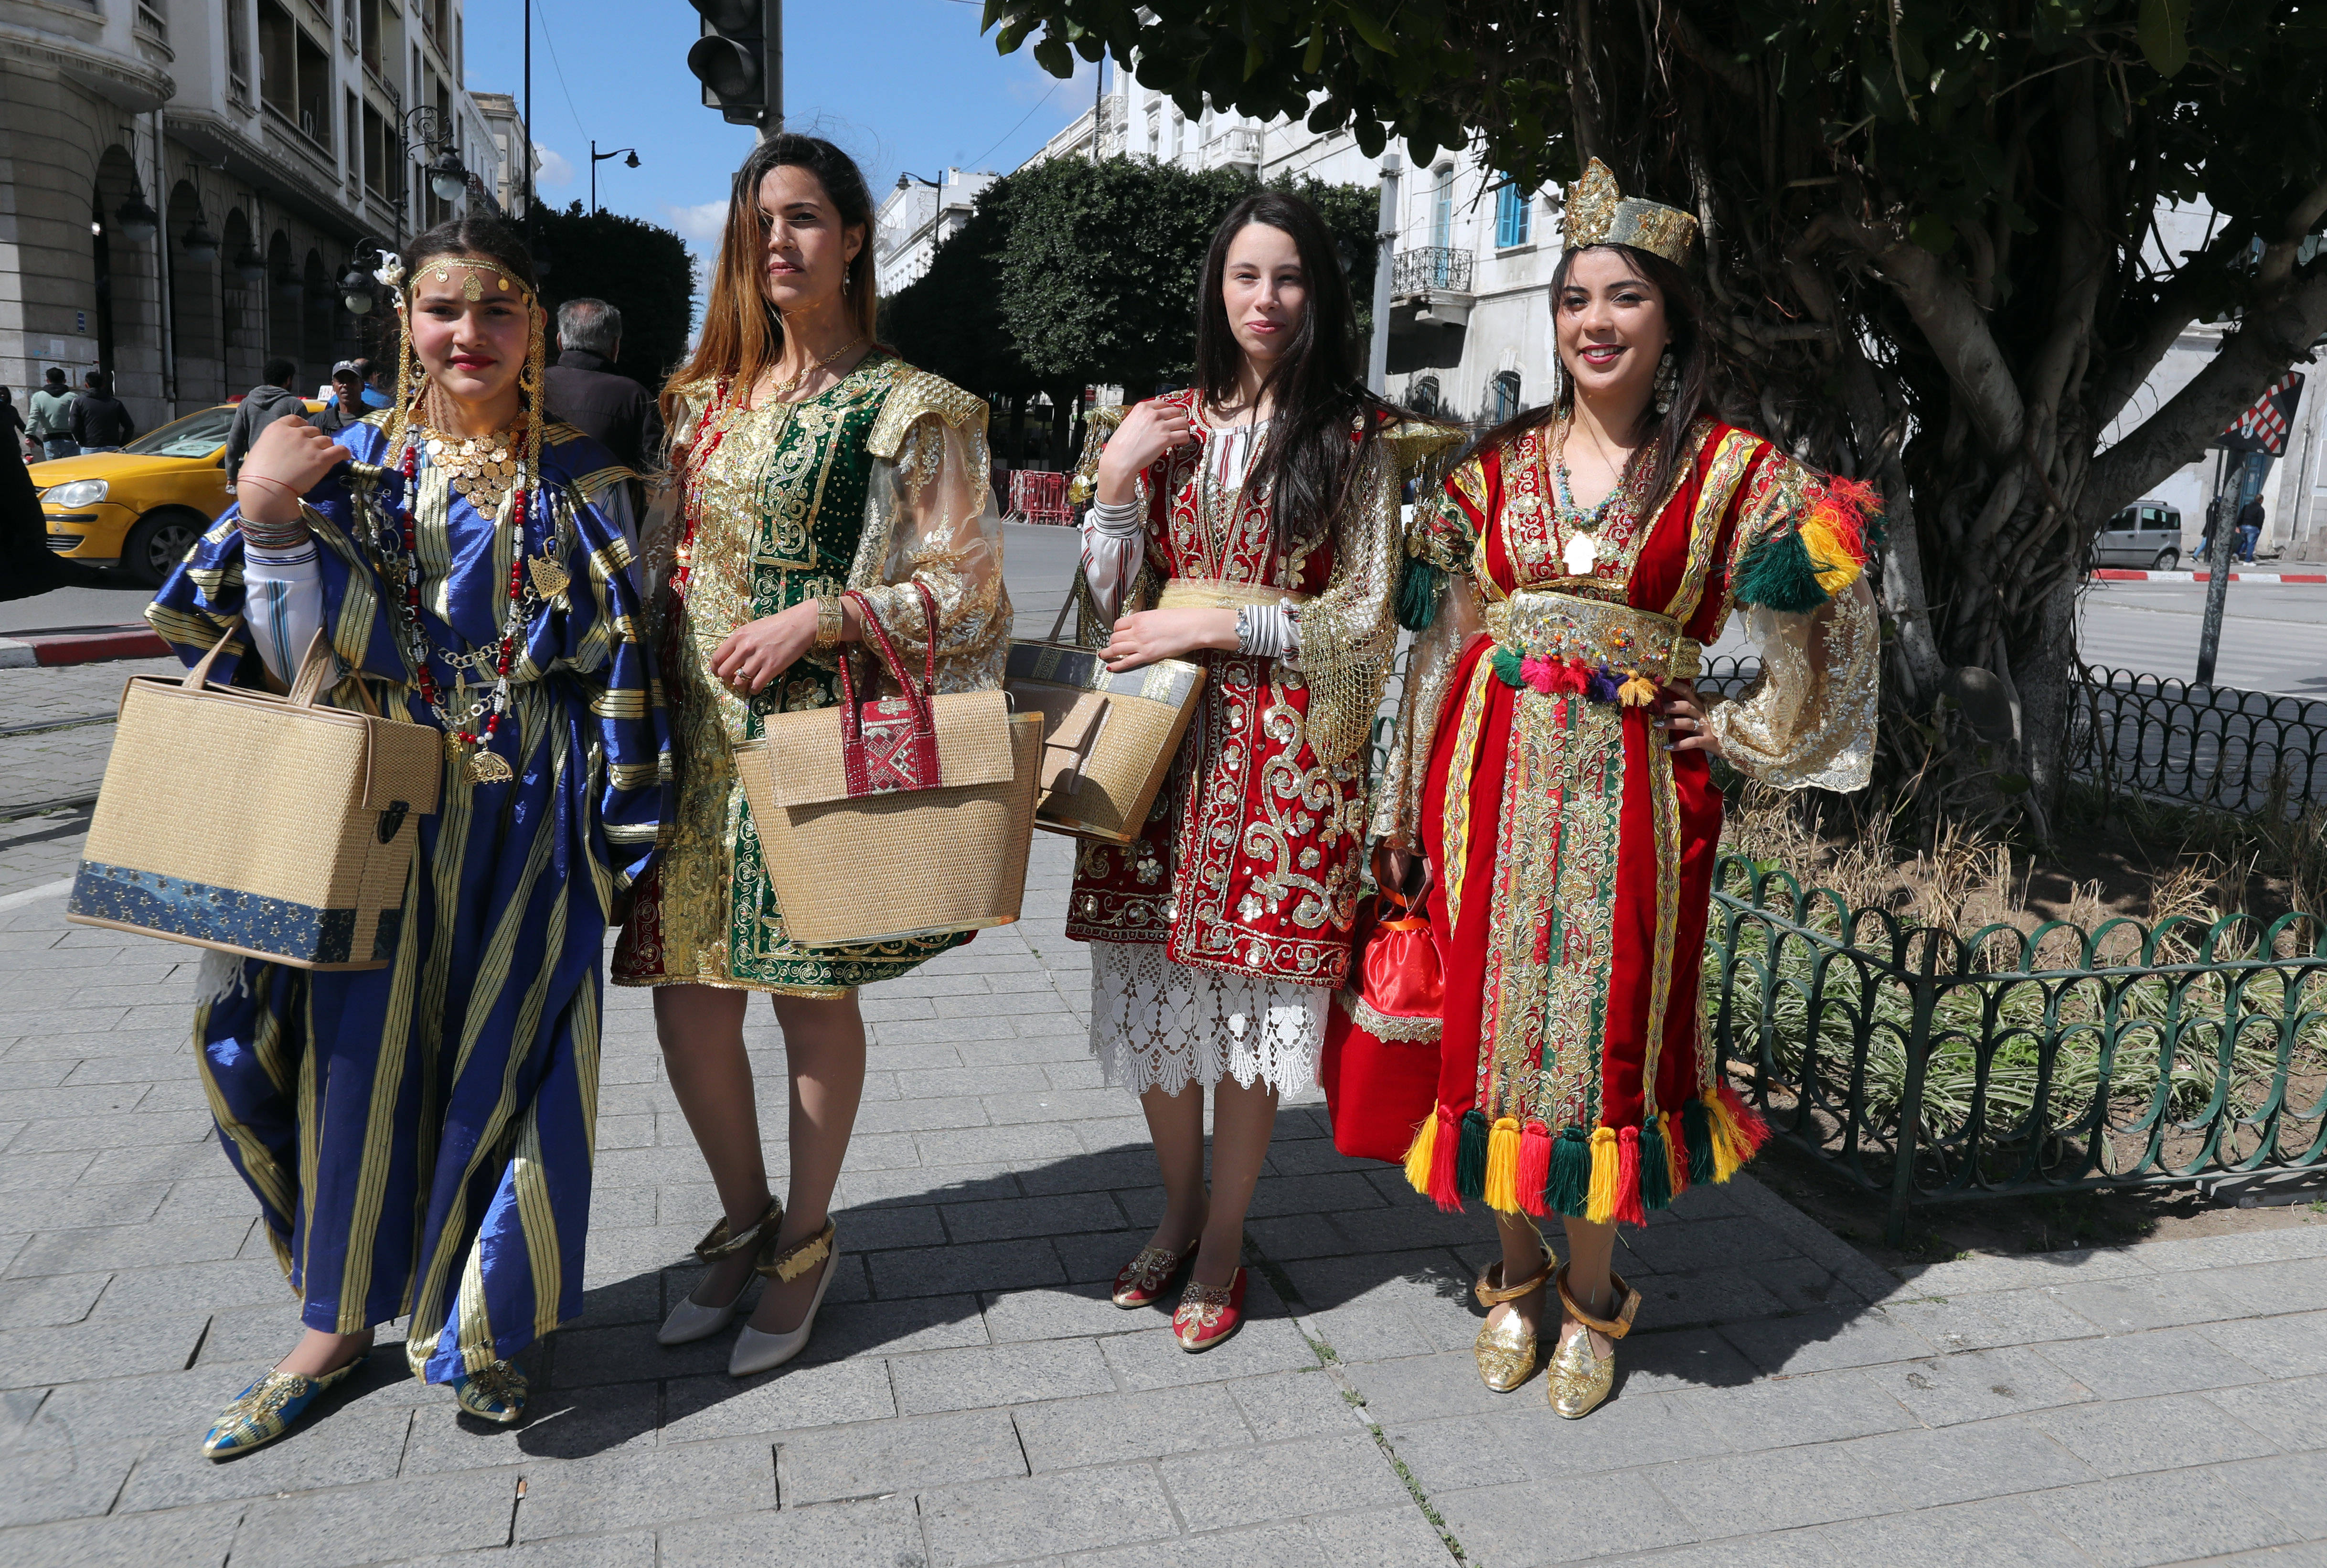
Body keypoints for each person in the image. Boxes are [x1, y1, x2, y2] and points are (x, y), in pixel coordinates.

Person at [141, 215, 670, 1456]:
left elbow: (625, 673)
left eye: (499, 309)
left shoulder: (589, 478)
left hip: (533, 814)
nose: (470, 333)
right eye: (446, 309)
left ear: (534, 324)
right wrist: (267, 512)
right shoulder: (345, 459)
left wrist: (622, 838)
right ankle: (331, 1325)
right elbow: (235, 638)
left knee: (519, 1058)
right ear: (407, 320)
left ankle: (492, 1326)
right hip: (366, 802)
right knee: (336, 1060)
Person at [1369, 160, 1879, 1419]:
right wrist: (1396, 806)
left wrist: (1749, 715)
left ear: (1669, 321)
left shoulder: (1729, 472)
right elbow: (1441, 640)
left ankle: (1594, 1300)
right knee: (1489, 1031)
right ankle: (1514, 1270)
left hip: (1643, 793)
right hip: (1487, 783)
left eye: (1625, 299)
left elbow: (1837, 584)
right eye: (1575, 298)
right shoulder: (1488, 473)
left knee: (1606, 1050)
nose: (1594, 320)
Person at [612, 133, 1009, 1377]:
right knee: (686, 1006)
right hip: (690, 753)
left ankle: (808, 1235)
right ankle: (741, 1214)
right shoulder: (698, 405)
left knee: (805, 996)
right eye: (757, 222)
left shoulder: (908, 402)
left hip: (807, 744)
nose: (775, 242)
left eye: (801, 219)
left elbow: (974, 590)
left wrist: (827, 612)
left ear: (850, 239)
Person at [1067, 191, 1443, 1354]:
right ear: (1216, 289)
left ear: (1319, 294)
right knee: (1156, 992)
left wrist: (1212, 626)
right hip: (1154, 748)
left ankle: (1227, 1235)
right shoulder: (1159, 419)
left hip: (1284, 756)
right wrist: (1119, 481)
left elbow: (1364, 617)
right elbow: (1099, 593)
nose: (1266, 301)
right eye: (1245, 277)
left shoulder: (1359, 438)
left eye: (1288, 279)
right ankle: (1176, 1210)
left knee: (1249, 1010)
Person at [544, 298, 660, 475]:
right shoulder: (636, 397)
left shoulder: (529, 384)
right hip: (609, 501)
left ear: (559, 341)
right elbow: (655, 472)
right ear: (616, 346)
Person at [224, 357, 307, 488]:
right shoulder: (295, 406)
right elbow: (305, 446)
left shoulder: (246, 403)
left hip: (253, 474)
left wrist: (232, 476)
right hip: (284, 479)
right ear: (288, 379)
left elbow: (234, 443)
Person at [67, 369, 136, 449]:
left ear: (86, 385)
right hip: (112, 446)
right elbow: (130, 426)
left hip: (90, 447)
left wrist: (81, 442)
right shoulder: (116, 403)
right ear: (103, 385)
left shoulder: (79, 402)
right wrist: (122, 445)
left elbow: (73, 425)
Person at [25, 368, 75, 459]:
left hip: (50, 440)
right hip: (70, 439)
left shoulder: (38, 397)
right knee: (72, 470)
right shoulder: (73, 397)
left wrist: (29, 435)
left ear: (47, 381)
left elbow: (34, 417)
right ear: (65, 381)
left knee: (54, 470)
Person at [314, 358, 373, 433]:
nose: (346, 385)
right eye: (341, 381)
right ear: (334, 386)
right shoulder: (318, 423)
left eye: (352, 381)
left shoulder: (378, 421)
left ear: (362, 386)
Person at [0, 386, 24, 464]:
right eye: (0, 394)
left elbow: (22, 426)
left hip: (12, 446)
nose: (3, 396)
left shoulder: (11, 410)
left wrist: (36, 440)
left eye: (5, 394)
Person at [2238, 495, 2265, 563]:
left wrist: (2238, 525)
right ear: (2261, 500)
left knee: (2245, 542)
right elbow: (2260, 520)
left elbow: (2241, 516)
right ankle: (2247, 561)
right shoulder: (2260, 509)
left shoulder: (2246, 506)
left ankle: (2236, 554)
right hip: (2253, 528)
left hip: (2244, 527)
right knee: (2251, 544)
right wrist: (2259, 529)